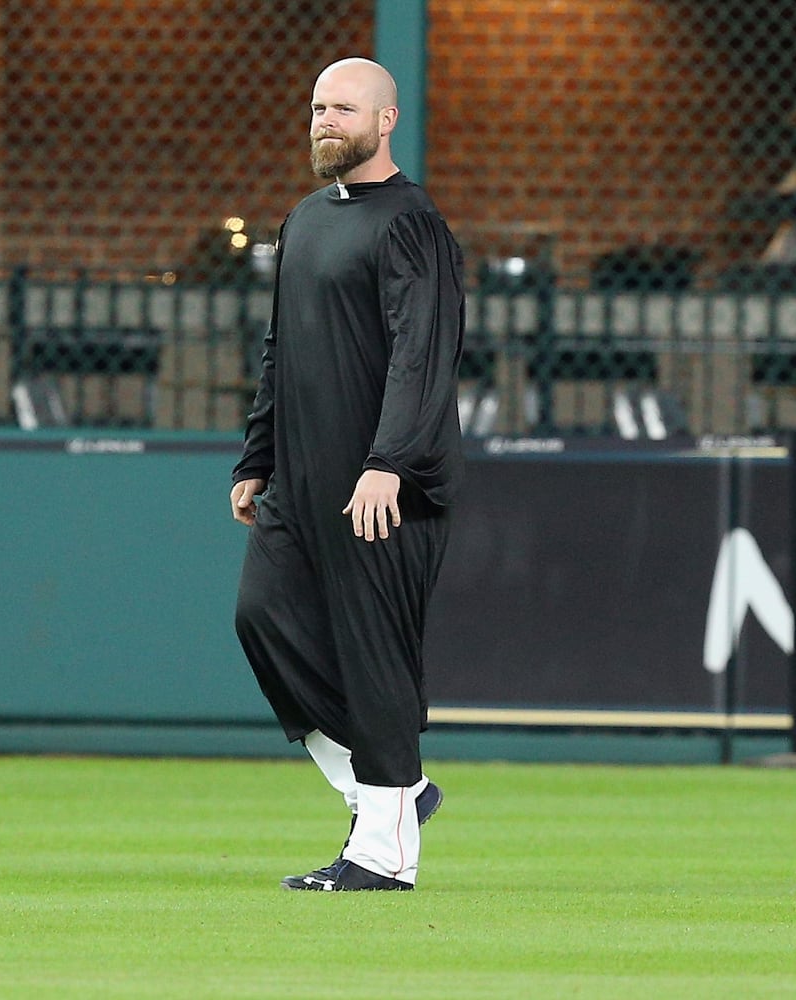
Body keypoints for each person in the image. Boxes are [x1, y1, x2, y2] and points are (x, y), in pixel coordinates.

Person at [230, 57, 466, 892]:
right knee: (261, 620)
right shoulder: (304, 217)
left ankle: (384, 855)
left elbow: (420, 357)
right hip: (298, 478)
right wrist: (257, 457)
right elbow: (280, 350)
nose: (325, 119)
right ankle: (393, 791)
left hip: (382, 489)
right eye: (318, 105)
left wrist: (387, 464)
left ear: (386, 120)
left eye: (344, 107)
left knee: (375, 661)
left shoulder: (410, 223)